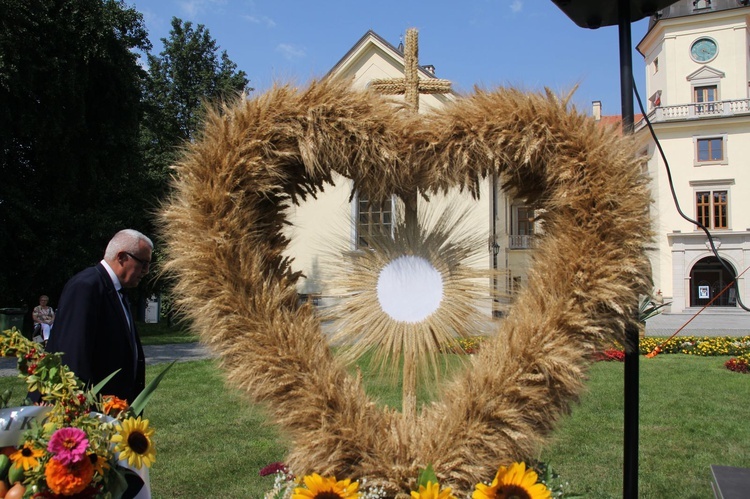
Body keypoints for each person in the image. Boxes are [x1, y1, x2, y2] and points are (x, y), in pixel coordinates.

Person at [46, 229, 152, 403]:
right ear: (122, 257)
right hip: (91, 412)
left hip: (114, 409)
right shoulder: (86, 287)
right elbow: (73, 356)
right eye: (143, 263)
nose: (146, 271)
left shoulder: (117, 291)